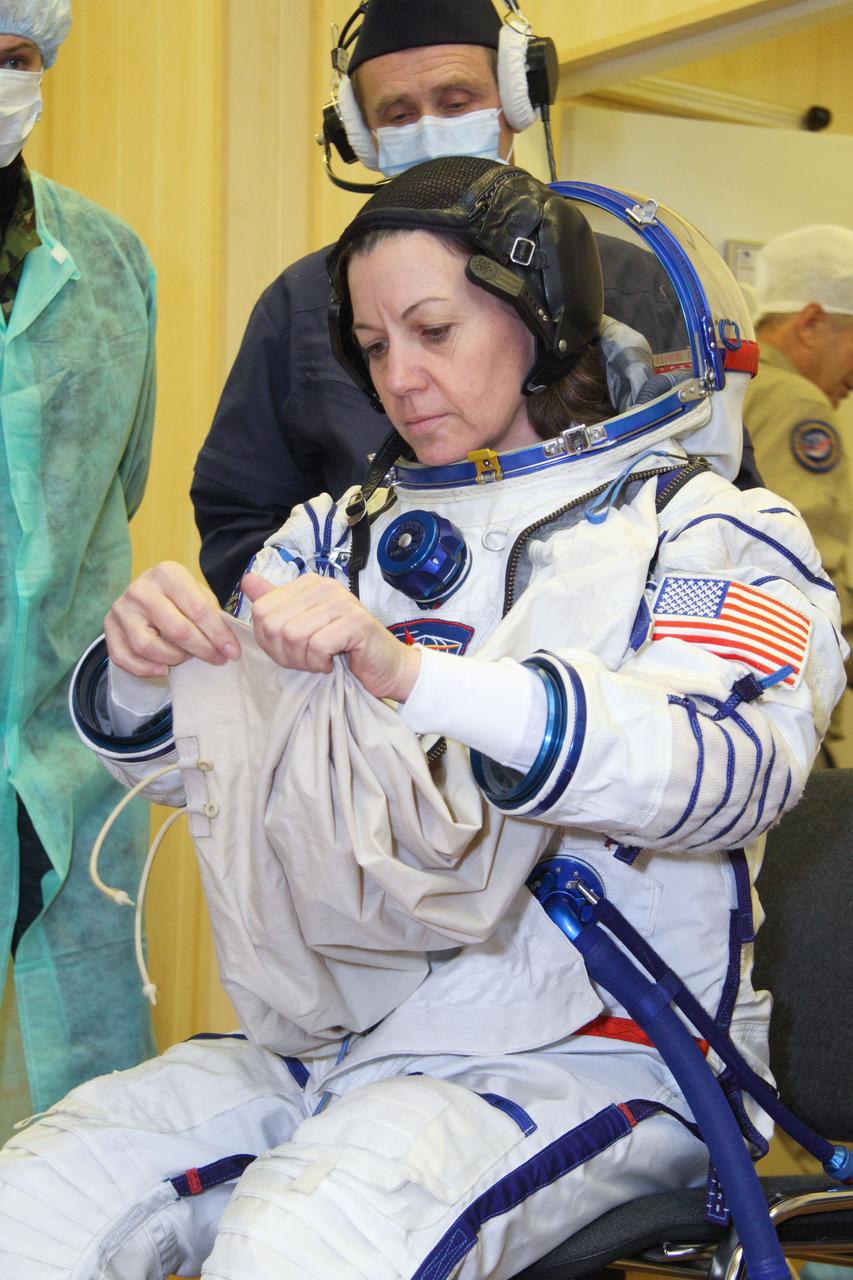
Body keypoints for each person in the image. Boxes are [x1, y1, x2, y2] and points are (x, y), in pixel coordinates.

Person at [0, 157, 843, 1280]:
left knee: (304, 1240)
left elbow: (724, 763)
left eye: (434, 328)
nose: (401, 375)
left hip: (598, 1050)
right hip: (345, 1030)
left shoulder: (704, 528)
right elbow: (222, 774)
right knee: (34, 1202)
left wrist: (423, 683)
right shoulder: (341, 529)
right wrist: (151, 677)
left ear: (541, 320)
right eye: (376, 343)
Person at [191, 0, 765, 607]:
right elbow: (241, 511)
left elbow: (721, 498)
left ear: (516, 100)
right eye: (397, 112)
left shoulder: (633, 283)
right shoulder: (302, 303)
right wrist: (329, 638)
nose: (402, 378)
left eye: (456, 100)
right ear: (362, 136)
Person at [0, 0, 157, 1137]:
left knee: (86, 1071)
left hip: (71, 722)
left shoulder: (106, 258)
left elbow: (123, 471)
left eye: (13, 54)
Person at [743, 224, 853, 766]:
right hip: (781, 710)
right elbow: (808, 582)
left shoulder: (734, 381)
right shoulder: (797, 403)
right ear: (811, 323)